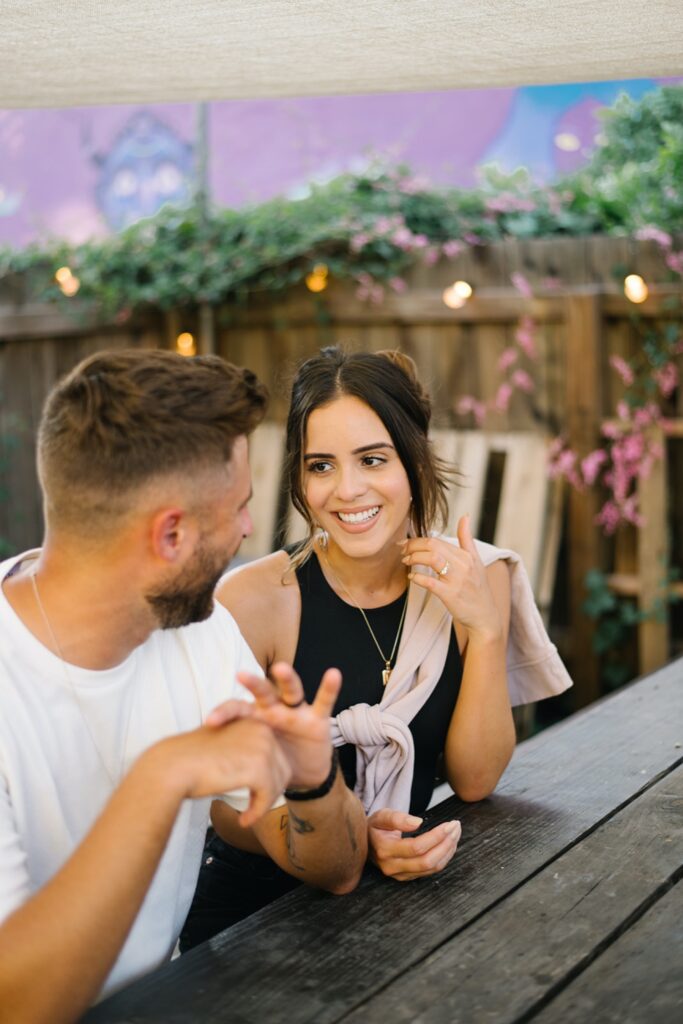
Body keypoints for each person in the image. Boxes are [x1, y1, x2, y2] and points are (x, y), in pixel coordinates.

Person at [0, 349, 367, 1023]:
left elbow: (334, 869)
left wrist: (314, 782)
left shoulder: (197, 628)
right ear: (171, 533)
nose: (250, 530)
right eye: (238, 508)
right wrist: (164, 772)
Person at [180, 345, 572, 948]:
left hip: (407, 902)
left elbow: (475, 779)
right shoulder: (255, 602)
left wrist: (486, 629)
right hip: (258, 912)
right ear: (298, 477)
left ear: (415, 459)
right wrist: (352, 843)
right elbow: (227, 812)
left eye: (372, 459)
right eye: (321, 466)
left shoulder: (473, 578)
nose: (348, 490)